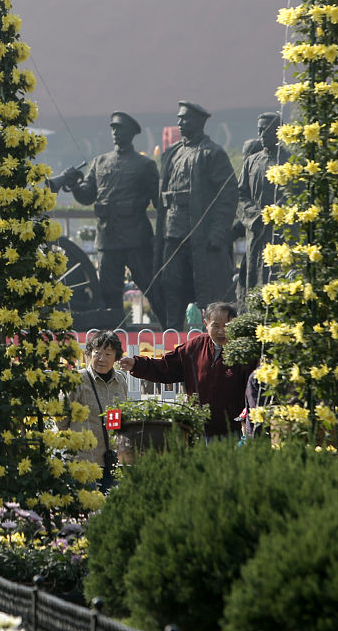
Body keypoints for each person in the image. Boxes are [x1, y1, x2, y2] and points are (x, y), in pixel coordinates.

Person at [62, 112, 160, 318]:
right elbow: (87, 196)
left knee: (151, 285)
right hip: (108, 238)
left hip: (136, 238)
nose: (115, 132)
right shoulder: (100, 162)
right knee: (108, 292)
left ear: (132, 133)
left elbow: (160, 203)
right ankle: (113, 332)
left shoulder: (145, 165)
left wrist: (162, 234)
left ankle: (169, 328)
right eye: (113, 128)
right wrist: (73, 185)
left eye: (120, 129)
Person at [155, 102, 238, 329]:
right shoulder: (172, 153)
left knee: (205, 289)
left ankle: (211, 336)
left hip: (199, 237)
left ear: (200, 122)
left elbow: (228, 195)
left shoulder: (212, 153)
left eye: (186, 119)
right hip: (173, 233)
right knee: (171, 284)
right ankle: (171, 332)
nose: (180, 123)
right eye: (179, 118)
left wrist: (219, 231)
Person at [119, 302, 254, 439]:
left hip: (232, 431)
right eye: (216, 326)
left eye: (227, 326)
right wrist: (137, 364)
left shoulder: (243, 352)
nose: (221, 331)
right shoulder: (195, 347)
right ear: (205, 324)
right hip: (198, 428)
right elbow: (166, 367)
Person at [58, 331, 128, 487]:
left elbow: (120, 417)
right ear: (88, 354)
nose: (101, 359)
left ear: (116, 358)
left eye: (108, 354)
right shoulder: (76, 380)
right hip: (83, 461)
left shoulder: (120, 381)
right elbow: (61, 419)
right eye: (97, 353)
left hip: (112, 462)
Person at [236, 113, 289, 294]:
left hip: (281, 233)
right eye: (260, 131)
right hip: (256, 230)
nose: (262, 135)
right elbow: (241, 195)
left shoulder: (290, 160)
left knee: (278, 278)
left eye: (267, 130)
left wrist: (279, 211)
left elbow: (297, 193)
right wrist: (254, 217)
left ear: (278, 132)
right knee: (254, 278)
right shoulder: (251, 162)